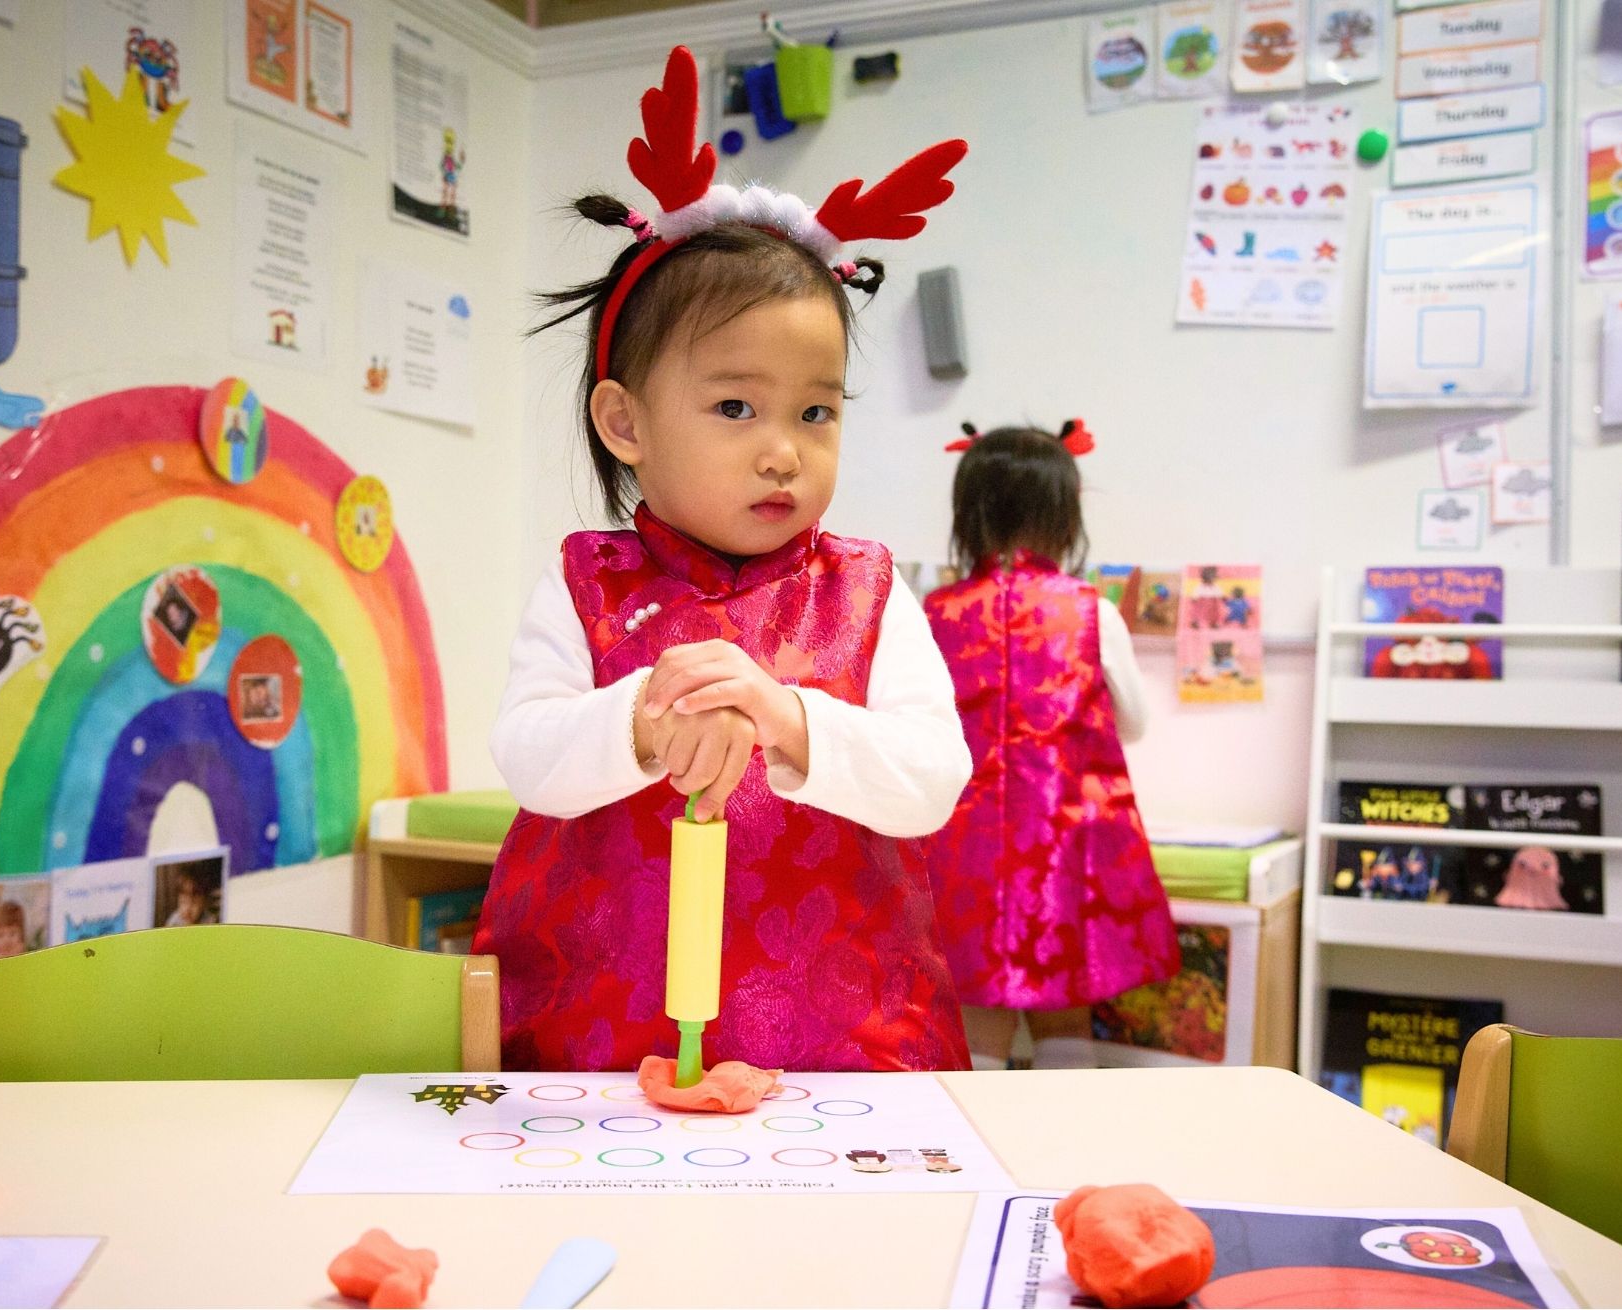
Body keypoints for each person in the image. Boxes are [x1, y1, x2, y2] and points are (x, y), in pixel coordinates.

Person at [474, 47, 974, 1075]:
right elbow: (525, 750)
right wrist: (640, 722)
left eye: (816, 410)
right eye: (735, 405)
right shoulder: (586, 580)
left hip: (840, 1034)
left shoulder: (869, 590)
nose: (782, 446)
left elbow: (932, 776)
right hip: (599, 1030)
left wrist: (784, 716)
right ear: (625, 421)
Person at [922, 423, 1180, 1071]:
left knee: (975, 1005)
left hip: (960, 851)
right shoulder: (1091, 611)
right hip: (1065, 849)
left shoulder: (934, 613)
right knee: (1065, 1003)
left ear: (969, 517)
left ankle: (975, 1157)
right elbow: (1137, 723)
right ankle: (1066, 1151)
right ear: (1066, 518)